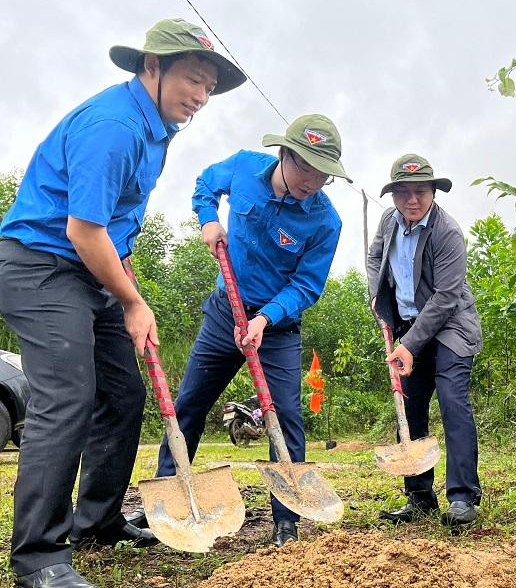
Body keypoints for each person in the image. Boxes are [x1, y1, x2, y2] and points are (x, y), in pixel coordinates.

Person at [0, 18, 245, 588]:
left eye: (209, 87)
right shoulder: (113, 126)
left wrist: (130, 293)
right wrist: (132, 300)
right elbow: (83, 229)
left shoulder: (155, 128)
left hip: (93, 269)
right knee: (67, 398)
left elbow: (113, 229)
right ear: (152, 67)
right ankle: (38, 553)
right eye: (193, 80)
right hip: (40, 264)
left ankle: (98, 521)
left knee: (122, 394)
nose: (201, 97)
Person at [127, 115, 347, 549]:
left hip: (276, 329)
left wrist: (265, 319)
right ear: (284, 155)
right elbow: (204, 185)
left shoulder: (326, 221)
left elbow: (307, 285)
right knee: (189, 404)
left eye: (324, 174)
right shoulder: (244, 167)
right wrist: (208, 220)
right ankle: (170, 502)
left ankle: (287, 520)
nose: (314, 181)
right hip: (223, 313)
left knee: (284, 415)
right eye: (307, 168)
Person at [368, 154, 483, 528]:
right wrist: (377, 296)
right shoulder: (388, 221)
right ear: (394, 195)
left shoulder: (447, 232)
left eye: (420, 192)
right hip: (408, 328)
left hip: (451, 326)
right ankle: (419, 497)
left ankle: (463, 497)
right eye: (403, 193)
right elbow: (375, 257)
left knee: (452, 403)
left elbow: (446, 298)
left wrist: (410, 344)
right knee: (411, 405)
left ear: (433, 191)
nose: (411, 200)